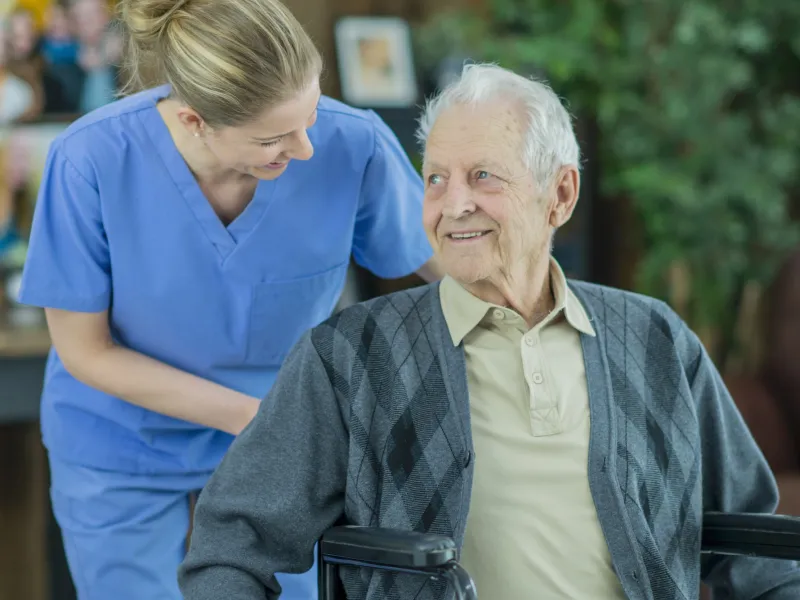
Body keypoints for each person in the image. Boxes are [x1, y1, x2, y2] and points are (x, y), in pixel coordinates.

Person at [179, 63, 800, 600]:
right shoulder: (351, 357)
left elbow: (755, 540)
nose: (452, 205)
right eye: (436, 178)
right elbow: (231, 543)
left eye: (483, 177)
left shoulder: (654, 339)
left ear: (559, 194)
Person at [17, 0, 440, 598]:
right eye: (273, 137)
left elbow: (453, 265)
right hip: (121, 442)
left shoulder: (354, 144)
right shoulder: (91, 158)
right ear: (194, 121)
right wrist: (261, 418)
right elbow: (87, 352)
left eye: (311, 114)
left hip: (283, 445)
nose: (305, 149)